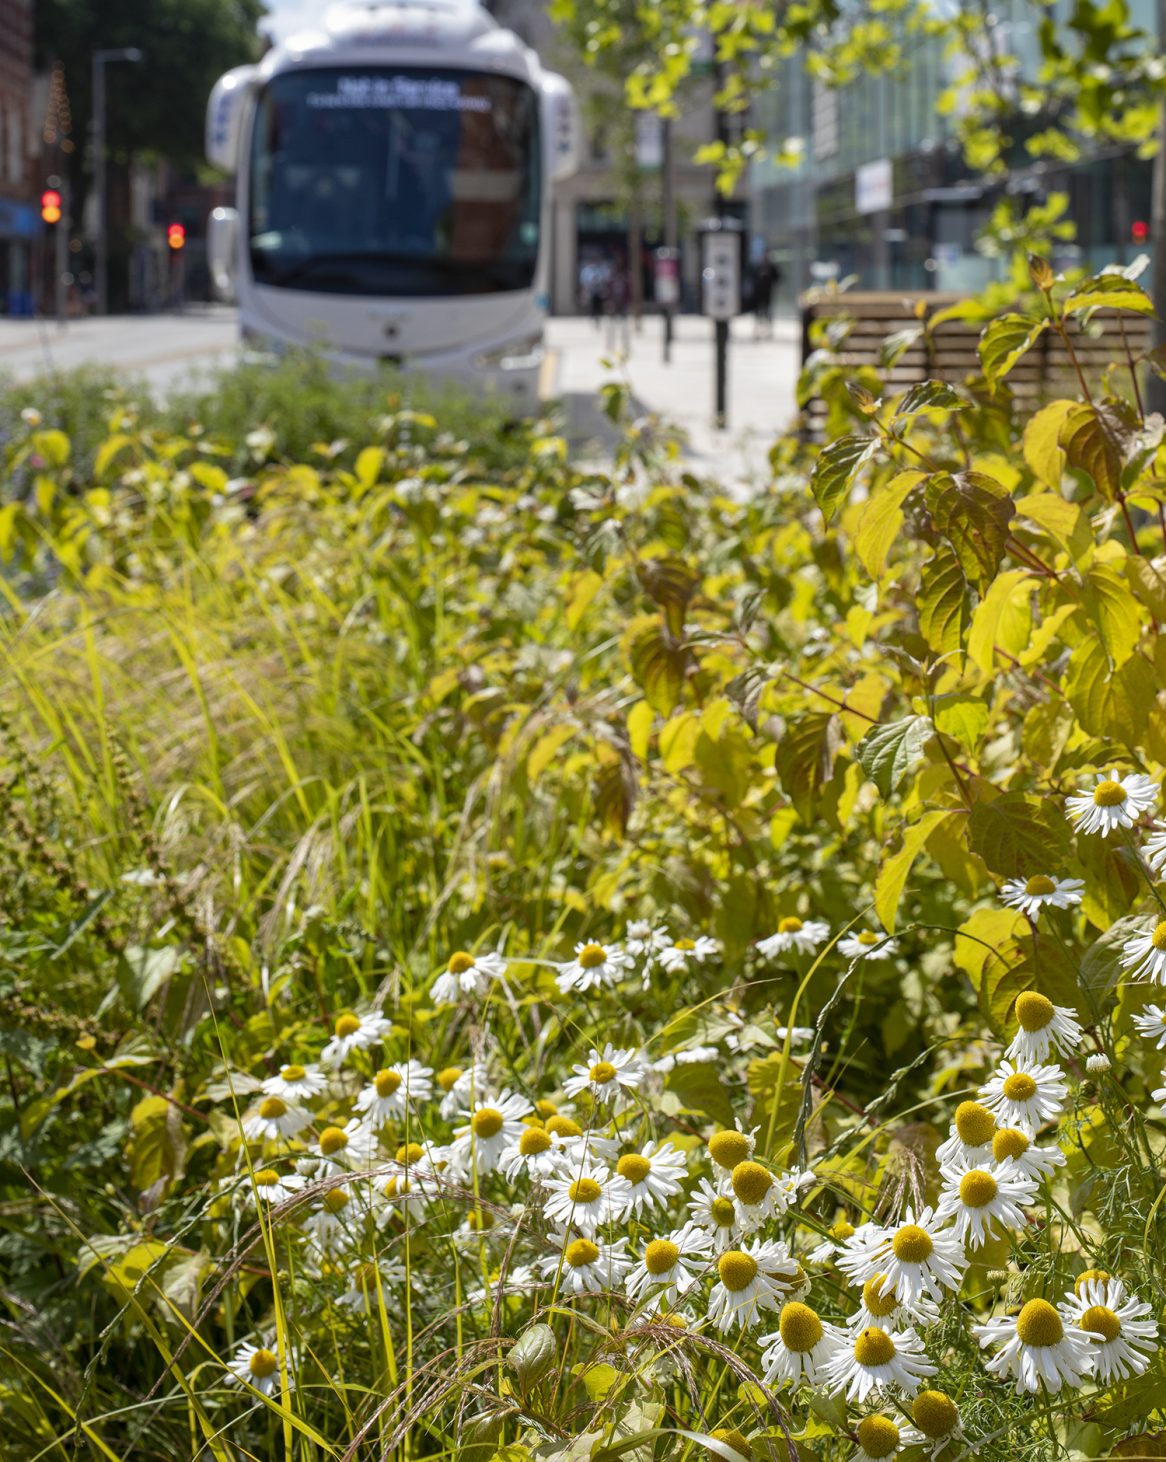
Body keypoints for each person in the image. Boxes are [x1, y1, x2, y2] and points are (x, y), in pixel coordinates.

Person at [753, 256, 778, 338]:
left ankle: (768, 330)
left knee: (768, 312)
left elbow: (777, 277)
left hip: (768, 293)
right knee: (758, 313)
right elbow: (752, 277)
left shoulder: (771, 267)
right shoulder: (758, 267)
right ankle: (757, 330)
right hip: (758, 294)